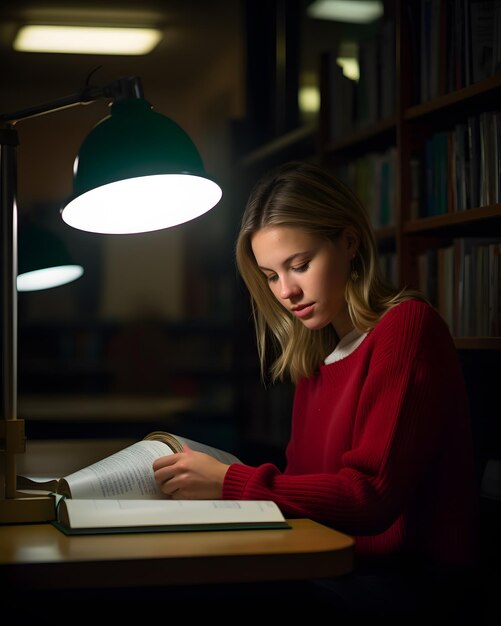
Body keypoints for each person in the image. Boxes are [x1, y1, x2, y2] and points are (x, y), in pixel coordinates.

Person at [153, 161, 479, 621]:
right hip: (336, 565)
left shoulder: (407, 327)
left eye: (300, 265)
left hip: (409, 583)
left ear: (348, 242)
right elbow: (305, 488)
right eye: (270, 275)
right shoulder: (318, 354)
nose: (286, 291)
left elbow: (369, 498)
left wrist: (230, 482)